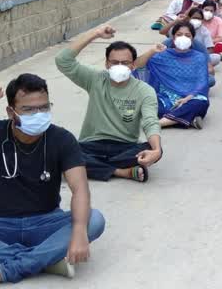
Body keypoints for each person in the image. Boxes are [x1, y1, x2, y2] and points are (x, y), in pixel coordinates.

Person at [0, 77, 105, 289]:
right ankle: (44, 261)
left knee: (94, 219)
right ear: (10, 112)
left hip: (46, 222)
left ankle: (6, 270)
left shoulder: (61, 139)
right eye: (28, 110)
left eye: (44, 108)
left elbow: (80, 188)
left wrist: (79, 232)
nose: (38, 115)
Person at [55, 25, 162, 182]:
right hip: (90, 145)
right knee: (59, 149)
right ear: (106, 64)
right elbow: (63, 60)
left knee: (152, 149)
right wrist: (95, 33)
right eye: (114, 62)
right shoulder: (95, 79)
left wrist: (157, 150)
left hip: (125, 147)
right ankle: (121, 172)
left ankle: (87, 167)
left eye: (125, 63)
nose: (120, 66)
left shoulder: (144, 90)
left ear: (133, 65)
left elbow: (150, 121)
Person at [143, 22, 210, 130]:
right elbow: (138, 65)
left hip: (192, 97)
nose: (183, 37)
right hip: (167, 96)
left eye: (187, 35)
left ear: (192, 39)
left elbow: (202, 83)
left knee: (200, 104)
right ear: (173, 37)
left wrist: (188, 98)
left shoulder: (199, 57)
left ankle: (158, 124)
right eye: (179, 34)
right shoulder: (162, 55)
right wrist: (151, 51)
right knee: (152, 105)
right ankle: (187, 120)